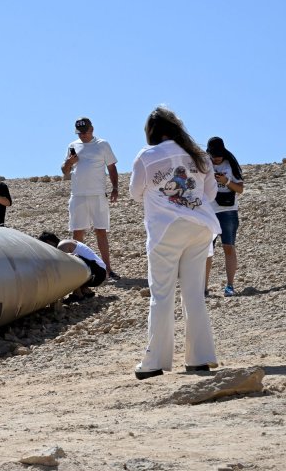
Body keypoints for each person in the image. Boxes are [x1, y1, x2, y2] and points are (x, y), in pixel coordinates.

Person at [129, 106, 221, 380]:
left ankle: (154, 362)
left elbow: (135, 193)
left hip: (166, 229)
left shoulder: (147, 156)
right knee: (193, 294)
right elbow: (211, 192)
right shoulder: (199, 155)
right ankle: (200, 359)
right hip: (200, 226)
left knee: (162, 294)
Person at [61, 117, 120, 280]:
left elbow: (111, 167)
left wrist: (115, 187)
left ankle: (108, 269)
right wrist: (68, 162)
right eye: (80, 132)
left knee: (101, 231)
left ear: (92, 129)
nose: (83, 135)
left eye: (85, 132)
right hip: (78, 195)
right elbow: (65, 171)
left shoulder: (102, 144)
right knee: (77, 232)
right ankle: (79, 270)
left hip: (98, 194)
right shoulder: (72, 146)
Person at [204, 137, 244, 297]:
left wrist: (226, 181)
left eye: (219, 155)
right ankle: (203, 288)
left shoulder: (231, 164)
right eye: (214, 156)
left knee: (228, 247)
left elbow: (240, 189)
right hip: (208, 211)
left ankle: (230, 285)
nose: (217, 159)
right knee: (207, 251)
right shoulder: (204, 164)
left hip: (228, 211)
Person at [38, 231, 106, 303]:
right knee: (71, 261)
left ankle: (78, 294)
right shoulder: (67, 242)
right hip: (99, 272)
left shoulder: (62, 246)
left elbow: (65, 268)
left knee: (65, 265)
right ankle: (85, 290)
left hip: (97, 274)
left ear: (48, 242)